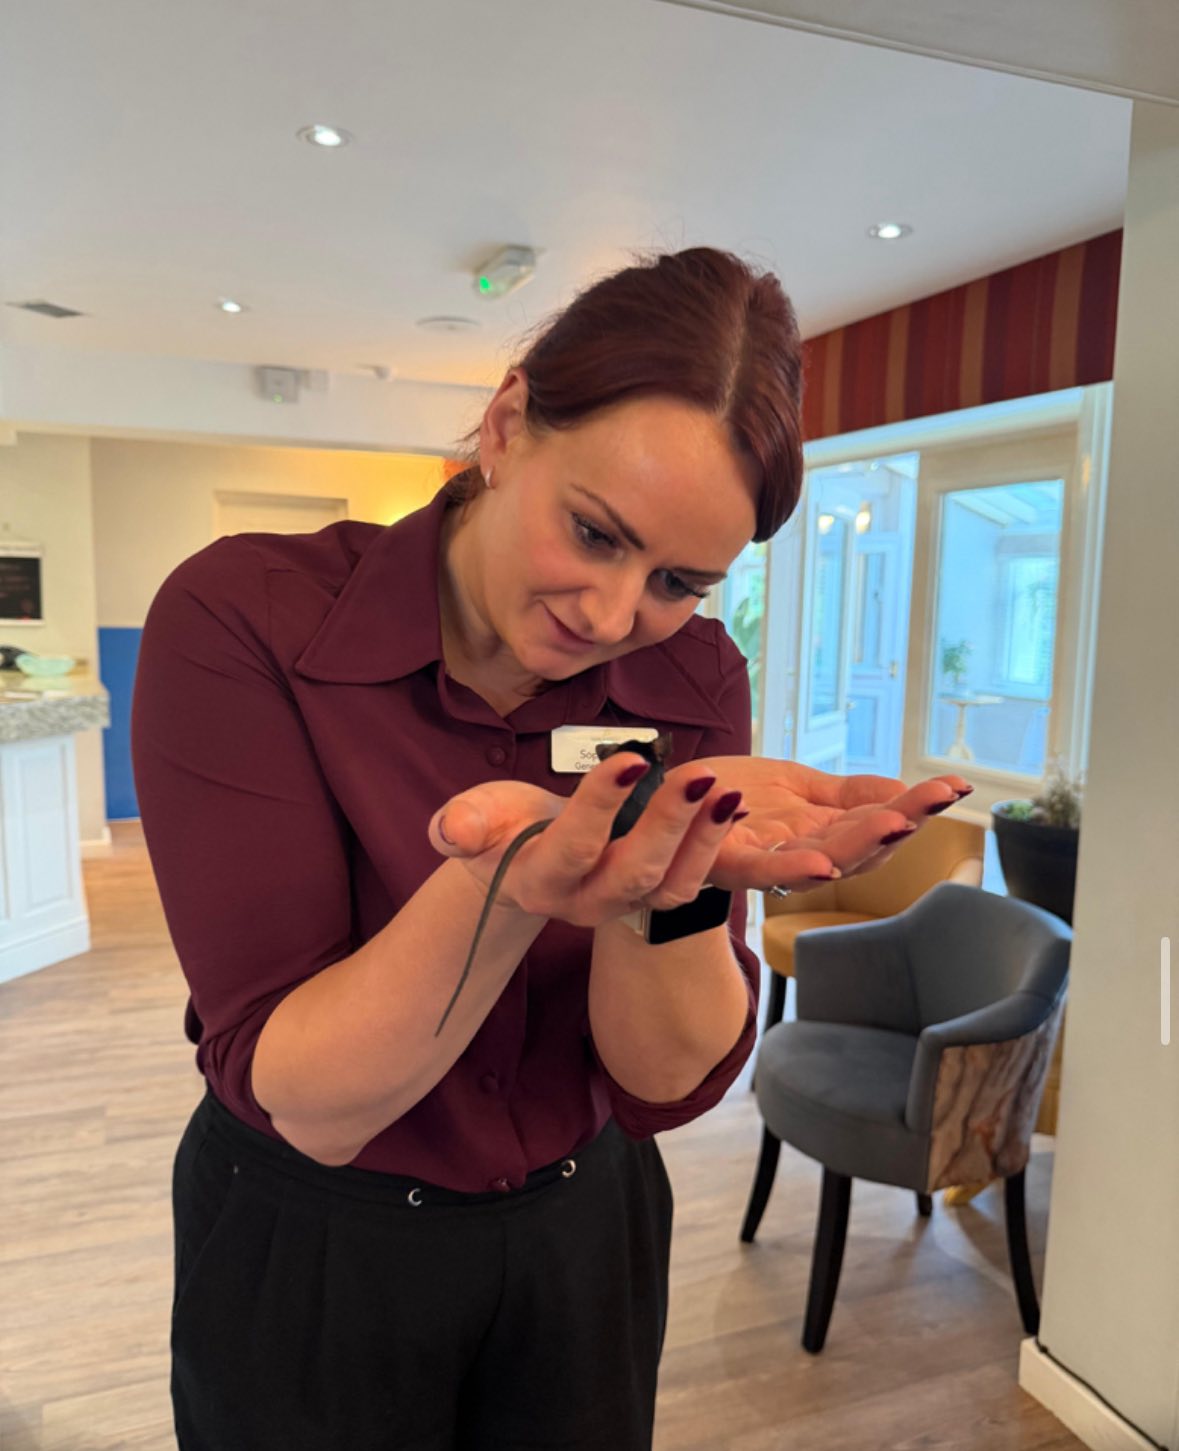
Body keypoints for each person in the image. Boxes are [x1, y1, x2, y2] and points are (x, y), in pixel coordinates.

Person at [130, 246, 970, 1451]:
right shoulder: (248, 616)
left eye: (680, 580)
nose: (615, 615)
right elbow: (312, 1097)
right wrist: (512, 879)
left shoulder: (693, 675)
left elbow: (663, 1080)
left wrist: (668, 874)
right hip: (315, 1241)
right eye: (593, 531)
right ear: (507, 424)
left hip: (583, 1232)